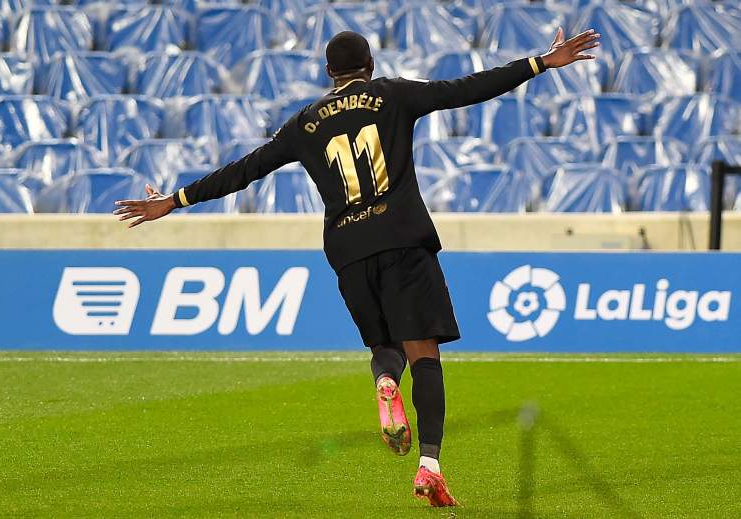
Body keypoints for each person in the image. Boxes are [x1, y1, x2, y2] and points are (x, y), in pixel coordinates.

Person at [114, 28, 601, 507]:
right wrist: (541, 62)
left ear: (329, 73)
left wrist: (175, 201)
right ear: (370, 66)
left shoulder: (304, 123)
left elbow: (245, 169)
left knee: (384, 346)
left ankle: (384, 381)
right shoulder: (393, 95)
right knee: (424, 354)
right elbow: (467, 89)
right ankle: (429, 465)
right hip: (403, 240)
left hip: (348, 252)